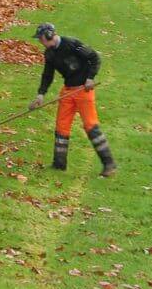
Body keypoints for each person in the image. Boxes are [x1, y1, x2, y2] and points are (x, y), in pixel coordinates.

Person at [29, 22, 117, 176]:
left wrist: (90, 78)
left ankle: (109, 164)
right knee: (61, 126)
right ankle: (59, 165)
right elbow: (47, 75)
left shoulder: (72, 44)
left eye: (41, 38)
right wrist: (41, 94)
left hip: (83, 90)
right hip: (67, 91)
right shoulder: (49, 53)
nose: (40, 42)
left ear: (49, 35)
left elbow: (94, 58)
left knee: (91, 126)